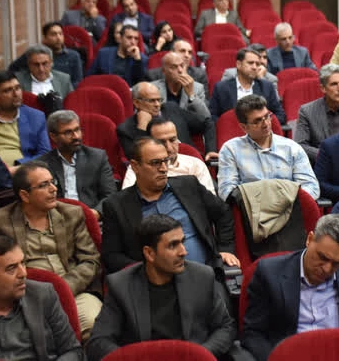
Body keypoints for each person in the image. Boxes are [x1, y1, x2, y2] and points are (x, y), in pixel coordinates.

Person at [241, 214, 339, 361]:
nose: (327, 269)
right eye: (322, 257)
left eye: (336, 263)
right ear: (310, 239)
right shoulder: (270, 273)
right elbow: (253, 333)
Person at [87, 215, 237, 361]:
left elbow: (225, 327)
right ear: (149, 253)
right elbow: (99, 341)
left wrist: (199, 355)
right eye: (173, 245)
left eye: (182, 242)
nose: (183, 252)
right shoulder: (121, 285)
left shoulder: (202, 276)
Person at [0, 161, 102, 340]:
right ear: (25, 195)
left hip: (75, 290)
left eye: (52, 182)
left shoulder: (72, 214)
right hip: (26, 295)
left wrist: (64, 288)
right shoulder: (0, 221)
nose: (53, 189)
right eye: (43, 185)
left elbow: (91, 260)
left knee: (92, 324)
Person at [101, 137, 239, 274]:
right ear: (135, 166)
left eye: (165, 161)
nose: (164, 168)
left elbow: (223, 213)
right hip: (151, 283)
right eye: (155, 163)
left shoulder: (189, 185)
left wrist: (225, 249)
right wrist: (146, 273)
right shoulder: (116, 205)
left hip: (205, 274)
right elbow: (112, 256)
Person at [217, 94, 319, 201]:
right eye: (257, 121)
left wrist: (285, 201)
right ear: (244, 127)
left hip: (289, 207)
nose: (266, 124)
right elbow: (226, 191)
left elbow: (312, 187)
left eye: (267, 116)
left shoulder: (291, 148)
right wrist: (264, 202)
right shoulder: (231, 150)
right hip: (251, 208)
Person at [0, 70, 51, 172]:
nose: (16, 94)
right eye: (7, 91)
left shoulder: (35, 117)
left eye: (17, 88)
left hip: (20, 173)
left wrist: (18, 168)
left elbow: (45, 154)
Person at [38, 110, 116, 218]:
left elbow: (110, 195)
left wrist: (96, 213)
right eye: (68, 132)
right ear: (53, 136)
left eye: (77, 130)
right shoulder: (43, 164)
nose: (76, 136)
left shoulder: (97, 157)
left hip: (91, 216)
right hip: (57, 219)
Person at [122, 117, 215, 194]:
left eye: (172, 140)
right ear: (150, 143)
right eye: (161, 142)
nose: (169, 148)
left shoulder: (195, 165)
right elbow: (127, 202)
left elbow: (210, 203)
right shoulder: (140, 168)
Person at [117, 82, 208, 160]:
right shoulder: (125, 129)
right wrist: (142, 127)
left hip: (190, 162)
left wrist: (211, 150)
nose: (157, 104)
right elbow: (137, 159)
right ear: (136, 103)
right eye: (151, 101)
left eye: (159, 100)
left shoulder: (171, 108)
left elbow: (207, 123)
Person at [153, 51, 217, 156]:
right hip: (160, 129)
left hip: (188, 128)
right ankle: (190, 153)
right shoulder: (153, 88)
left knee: (210, 122)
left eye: (182, 66)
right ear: (164, 71)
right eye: (174, 67)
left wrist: (191, 95)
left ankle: (207, 154)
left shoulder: (197, 88)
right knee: (170, 107)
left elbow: (205, 117)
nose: (180, 70)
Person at [294, 63, 339, 164]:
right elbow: (300, 144)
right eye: (334, 84)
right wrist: (327, 155)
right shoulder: (307, 111)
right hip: (321, 163)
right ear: (323, 88)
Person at [209, 48, 286, 123]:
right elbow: (212, 116)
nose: (254, 67)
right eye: (250, 63)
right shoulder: (221, 88)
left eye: (257, 64)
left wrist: (262, 122)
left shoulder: (267, 87)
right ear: (238, 64)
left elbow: (280, 115)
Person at [9, 22, 84, 86]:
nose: (58, 38)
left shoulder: (73, 56)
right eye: (53, 34)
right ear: (45, 38)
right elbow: (13, 70)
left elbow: (77, 81)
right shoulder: (34, 54)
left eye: (60, 34)